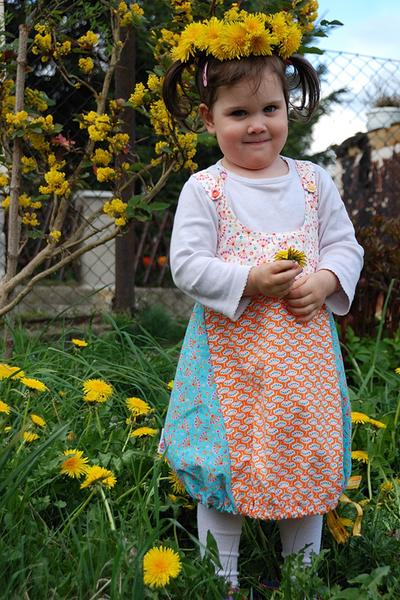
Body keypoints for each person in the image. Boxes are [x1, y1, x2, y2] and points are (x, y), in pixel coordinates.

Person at [159, 5, 364, 596]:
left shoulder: (312, 181)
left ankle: (301, 579)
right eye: (238, 113)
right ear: (209, 119)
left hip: (303, 360)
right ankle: (220, 579)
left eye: (270, 109)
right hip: (231, 361)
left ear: (288, 109)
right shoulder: (207, 189)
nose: (257, 125)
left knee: (304, 456)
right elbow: (187, 265)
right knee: (225, 464)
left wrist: (326, 281)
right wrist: (248, 280)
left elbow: (344, 246)